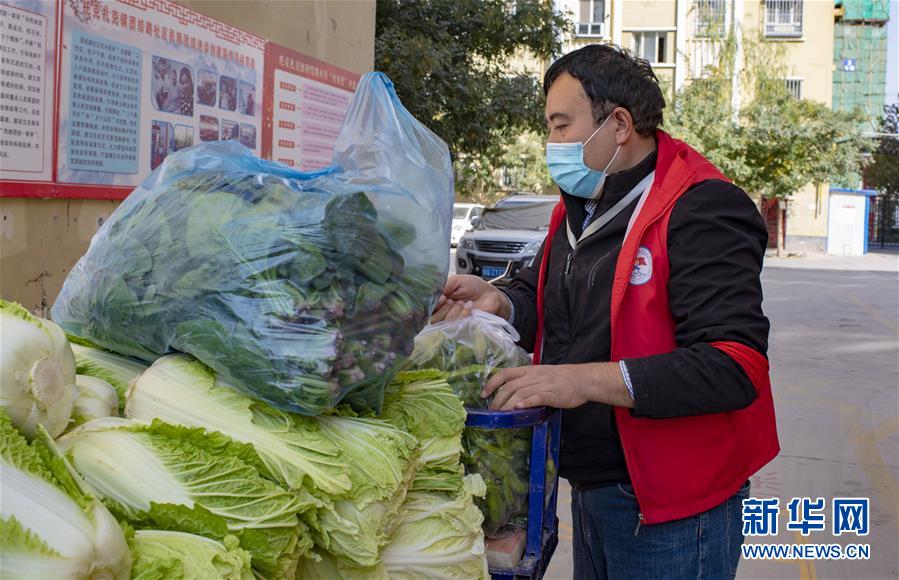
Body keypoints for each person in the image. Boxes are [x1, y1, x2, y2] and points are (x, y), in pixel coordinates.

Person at [431, 44, 779, 579]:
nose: (552, 144)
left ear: (618, 124)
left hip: (672, 508)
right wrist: (499, 300)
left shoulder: (702, 206)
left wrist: (585, 381)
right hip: (592, 487)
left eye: (562, 125)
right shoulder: (580, 209)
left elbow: (733, 366)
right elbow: (547, 295)